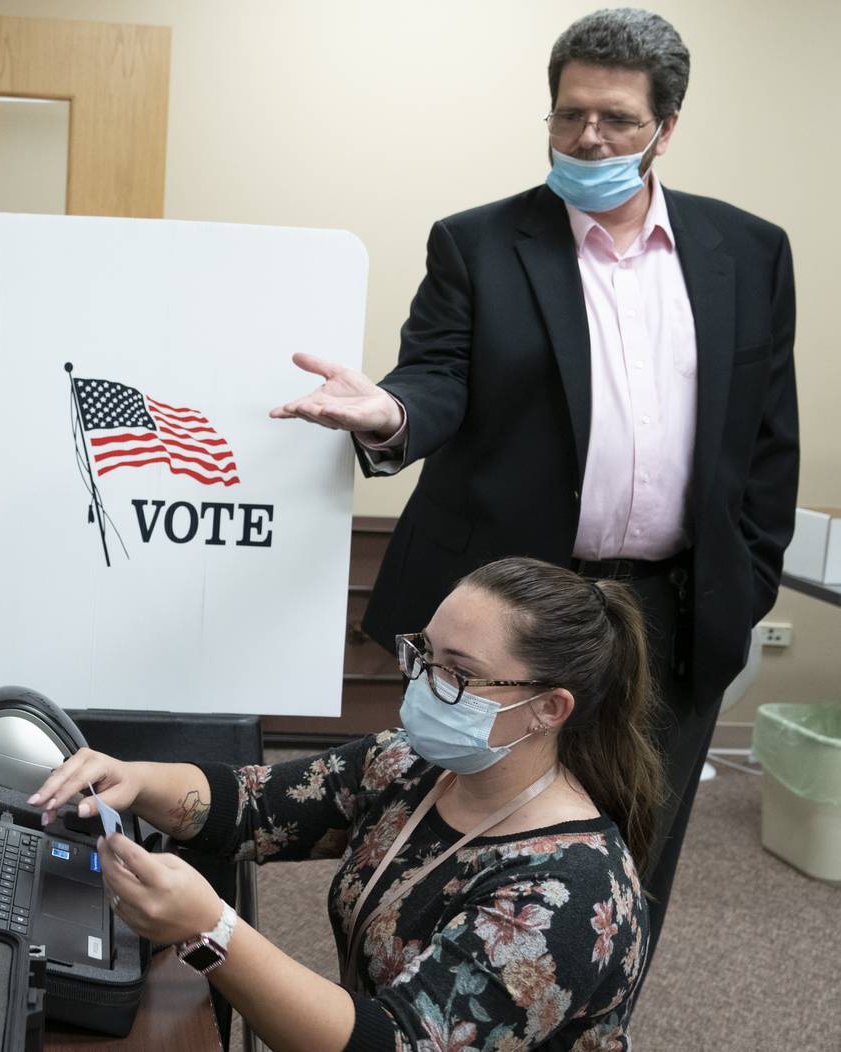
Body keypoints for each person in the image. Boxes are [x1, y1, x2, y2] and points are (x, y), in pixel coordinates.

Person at [270, 8, 798, 952]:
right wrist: (390, 414)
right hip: (520, 607)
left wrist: (747, 580)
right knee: (482, 835)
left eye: (617, 120)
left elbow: (766, 437)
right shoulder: (479, 244)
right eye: (568, 115)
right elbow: (435, 375)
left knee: (631, 857)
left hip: (672, 611)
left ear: (665, 129)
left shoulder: (748, 252)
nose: (588, 136)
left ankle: (597, 1013)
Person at [32, 558, 661, 1052]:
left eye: (457, 674)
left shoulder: (573, 893)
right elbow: (255, 806)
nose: (422, 685)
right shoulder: (414, 765)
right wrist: (136, 778)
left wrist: (211, 931)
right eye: (424, 655)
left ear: (549, 709)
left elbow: (402, 1043)